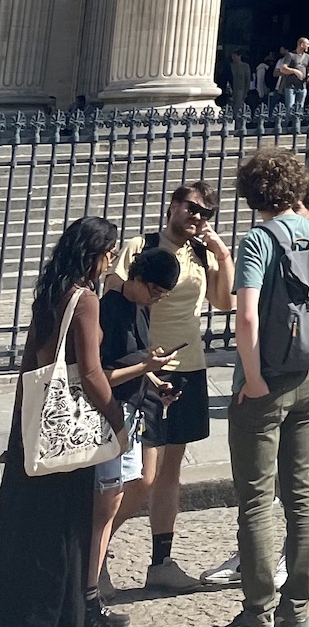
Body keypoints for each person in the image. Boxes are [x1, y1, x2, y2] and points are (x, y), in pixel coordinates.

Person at [226, 149, 309, 627]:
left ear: (252, 193)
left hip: (267, 384)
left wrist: (254, 377)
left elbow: (247, 315)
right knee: (301, 496)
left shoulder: (258, 241)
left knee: (257, 500)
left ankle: (257, 611)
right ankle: (296, 609)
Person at [0, 217, 126, 627]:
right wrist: (117, 418)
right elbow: (90, 373)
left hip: (37, 429)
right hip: (68, 434)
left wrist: (21, 428)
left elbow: (29, 365)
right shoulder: (85, 299)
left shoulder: (50, 292)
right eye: (109, 252)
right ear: (95, 254)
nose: (111, 261)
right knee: (66, 533)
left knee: (29, 529)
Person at [109, 182, 234, 592]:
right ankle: (92, 551)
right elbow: (115, 294)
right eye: (192, 208)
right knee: (141, 477)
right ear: (173, 206)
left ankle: (161, 562)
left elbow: (224, 302)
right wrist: (139, 363)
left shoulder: (201, 254)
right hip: (144, 368)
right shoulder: (141, 245)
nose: (197, 218)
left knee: (171, 471)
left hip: (188, 368)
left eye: (205, 213)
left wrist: (222, 254)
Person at [92, 244, 180, 617]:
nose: (157, 299)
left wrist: (157, 380)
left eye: (163, 294)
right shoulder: (109, 308)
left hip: (139, 404)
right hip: (112, 410)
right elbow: (101, 374)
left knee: (144, 480)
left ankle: (97, 552)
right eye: (155, 291)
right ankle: (94, 570)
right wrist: (147, 368)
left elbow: (139, 358)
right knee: (109, 497)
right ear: (138, 278)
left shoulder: (141, 307)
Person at [274, 38, 309, 112]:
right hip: (291, 86)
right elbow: (283, 68)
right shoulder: (291, 55)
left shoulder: (307, 57)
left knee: (300, 108)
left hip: (302, 86)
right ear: (301, 44)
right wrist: (295, 71)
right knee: (290, 108)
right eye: (307, 44)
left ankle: (297, 123)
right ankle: (289, 123)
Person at [224, 49, 252, 114]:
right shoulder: (230, 66)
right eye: (232, 56)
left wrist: (245, 92)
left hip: (240, 90)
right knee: (229, 107)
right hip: (231, 89)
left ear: (239, 56)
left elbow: (247, 80)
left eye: (234, 56)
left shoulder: (245, 66)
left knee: (238, 108)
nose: (233, 58)